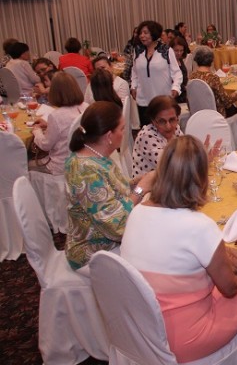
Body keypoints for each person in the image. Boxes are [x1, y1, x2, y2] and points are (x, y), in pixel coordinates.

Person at [121, 135, 237, 363]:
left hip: (141, 327)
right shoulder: (199, 226)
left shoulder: (137, 212)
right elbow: (230, 289)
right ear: (201, 178)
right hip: (183, 339)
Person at [65, 101, 154, 271]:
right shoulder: (85, 170)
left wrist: (135, 182)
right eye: (121, 129)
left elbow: (111, 191)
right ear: (108, 136)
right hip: (94, 252)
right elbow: (116, 226)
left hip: (106, 240)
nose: (124, 133)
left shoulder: (97, 155)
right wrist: (141, 188)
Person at [31, 72, 89, 175]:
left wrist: (37, 131)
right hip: (82, 161)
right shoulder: (86, 107)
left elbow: (45, 145)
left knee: (27, 165)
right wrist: (49, 125)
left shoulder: (57, 115)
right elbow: (70, 127)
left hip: (60, 166)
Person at [131, 20, 183, 126]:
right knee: (147, 133)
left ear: (154, 33)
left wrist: (176, 88)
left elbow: (177, 73)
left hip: (163, 99)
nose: (142, 36)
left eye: (145, 33)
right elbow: (134, 72)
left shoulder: (166, 50)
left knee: (165, 130)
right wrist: (133, 86)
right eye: (140, 33)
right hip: (143, 99)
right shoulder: (138, 51)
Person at [132, 95, 183, 179]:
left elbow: (185, 154)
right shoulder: (146, 136)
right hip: (148, 187)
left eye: (172, 120)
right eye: (162, 121)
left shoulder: (176, 128)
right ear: (153, 121)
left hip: (169, 180)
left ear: (177, 118)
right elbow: (171, 166)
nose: (168, 126)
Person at [189, 46, 237, 118]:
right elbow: (227, 101)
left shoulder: (192, 77)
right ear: (211, 61)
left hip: (197, 114)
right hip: (216, 115)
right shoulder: (213, 78)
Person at [170, 36, 190, 103]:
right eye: (176, 50)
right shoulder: (168, 63)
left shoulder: (180, 60)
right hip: (174, 96)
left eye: (181, 50)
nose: (179, 53)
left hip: (183, 93)